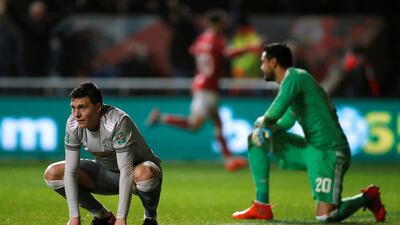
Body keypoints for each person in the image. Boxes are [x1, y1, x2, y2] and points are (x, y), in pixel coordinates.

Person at [232, 43, 386, 222]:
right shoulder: (295, 84)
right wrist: (265, 130)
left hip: (330, 152)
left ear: (273, 62)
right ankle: (261, 206)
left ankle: (367, 198)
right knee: (255, 140)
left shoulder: (296, 78)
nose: (261, 67)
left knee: (326, 216)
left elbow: (275, 112)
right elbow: (286, 121)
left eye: (263, 62)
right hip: (311, 148)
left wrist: (262, 123)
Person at [44, 82, 162, 225]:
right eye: (73, 108)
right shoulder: (73, 124)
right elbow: (71, 170)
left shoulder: (117, 121)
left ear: (98, 107)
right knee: (53, 174)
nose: (76, 114)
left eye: (82, 107)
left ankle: (150, 217)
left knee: (146, 173)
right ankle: (102, 216)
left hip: (135, 176)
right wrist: (74, 217)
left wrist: (121, 219)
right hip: (107, 174)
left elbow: (126, 171)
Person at [146, 9, 247, 172]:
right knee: (195, 125)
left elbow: (193, 50)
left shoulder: (201, 39)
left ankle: (229, 159)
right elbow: (230, 53)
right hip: (207, 88)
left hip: (202, 84)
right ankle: (161, 118)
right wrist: (252, 48)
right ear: (217, 24)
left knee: (218, 123)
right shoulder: (217, 39)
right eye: (222, 24)